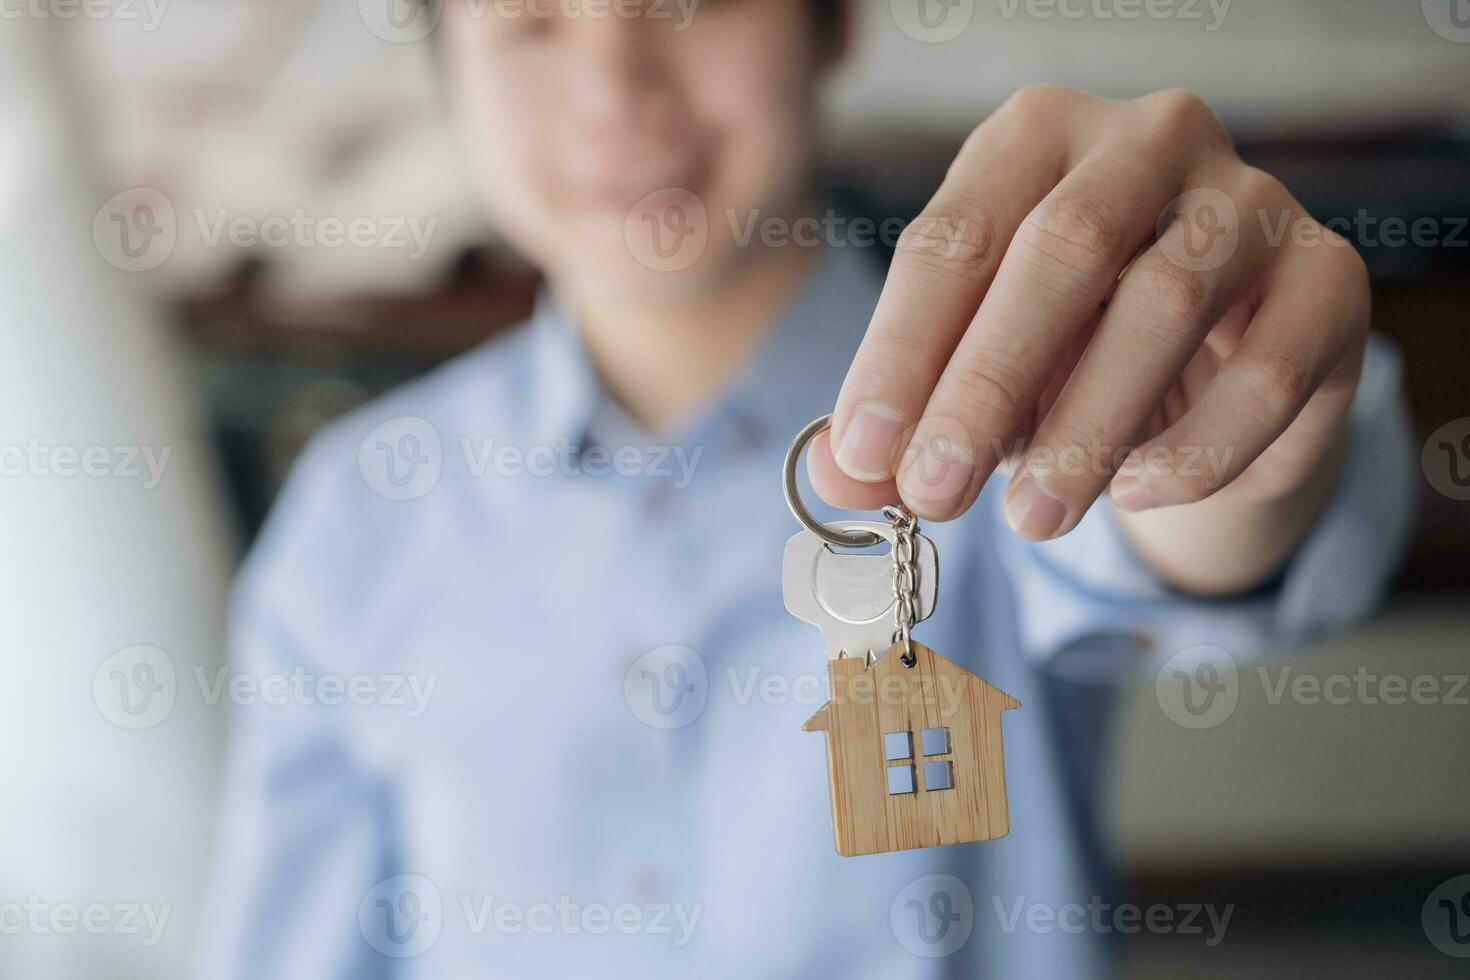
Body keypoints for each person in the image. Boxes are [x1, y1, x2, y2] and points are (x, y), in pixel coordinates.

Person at [200, 0, 1414, 975]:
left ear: (830, 24)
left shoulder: (1032, 388)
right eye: (529, 21)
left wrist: (1246, 396)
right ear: (448, 67)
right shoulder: (357, 514)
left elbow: (1213, 530)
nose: (616, 89)